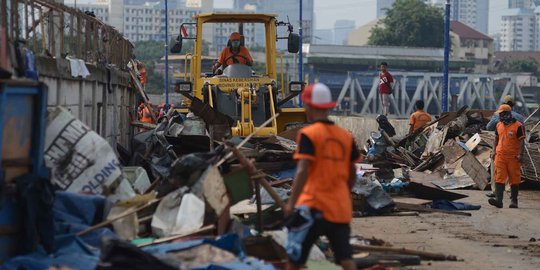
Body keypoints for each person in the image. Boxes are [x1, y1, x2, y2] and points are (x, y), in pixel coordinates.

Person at [284, 83, 359, 270]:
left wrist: (291, 204)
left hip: (313, 208)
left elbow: (302, 170)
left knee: (294, 260)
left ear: (308, 106)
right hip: (339, 209)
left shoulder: (309, 135)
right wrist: (344, 193)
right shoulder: (345, 137)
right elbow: (352, 173)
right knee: (345, 259)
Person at [486, 95, 525, 198]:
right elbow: (522, 136)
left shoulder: (498, 116)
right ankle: (509, 192)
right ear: (512, 104)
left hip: (501, 150)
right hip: (514, 152)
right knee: (513, 174)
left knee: (497, 172)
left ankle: (495, 192)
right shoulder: (520, 118)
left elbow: (488, 127)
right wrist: (521, 154)